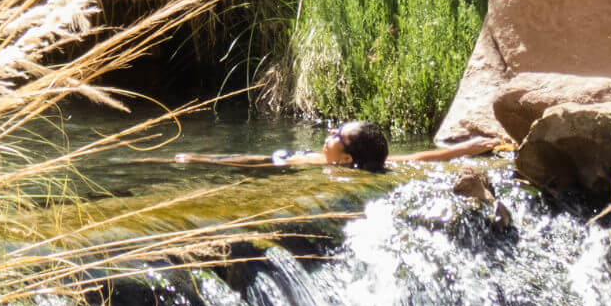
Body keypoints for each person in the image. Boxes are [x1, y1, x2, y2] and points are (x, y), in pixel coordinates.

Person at [175, 120, 504, 172]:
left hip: (275, 163)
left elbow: (251, 161)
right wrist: (466, 148)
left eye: (337, 134)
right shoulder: (372, 163)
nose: (330, 132)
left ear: (345, 159)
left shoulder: (316, 165)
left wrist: (203, 159)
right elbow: (418, 157)